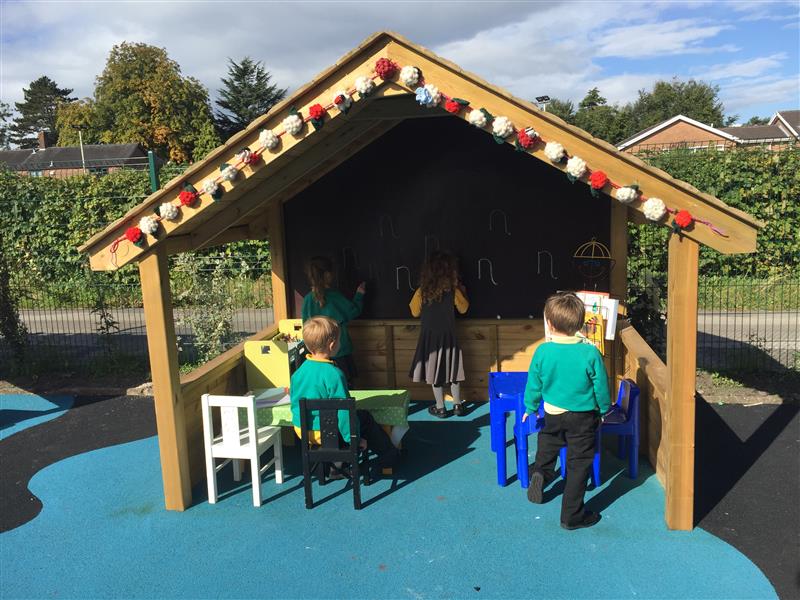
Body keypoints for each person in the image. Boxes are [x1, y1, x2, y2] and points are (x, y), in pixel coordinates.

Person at [522, 291, 611, 530]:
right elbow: (600, 385)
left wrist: (530, 407)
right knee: (578, 463)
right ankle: (571, 515)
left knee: (548, 441)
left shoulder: (543, 351)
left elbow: (534, 383)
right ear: (581, 323)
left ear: (549, 324)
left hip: (553, 412)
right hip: (583, 416)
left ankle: (541, 471)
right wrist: (604, 409)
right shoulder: (590, 352)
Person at [290, 316, 399, 479]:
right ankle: (389, 456)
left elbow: (295, 404)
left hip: (304, 431)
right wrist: (354, 439)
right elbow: (343, 412)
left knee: (334, 418)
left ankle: (337, 467)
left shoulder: (298, 373)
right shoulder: (334, 374)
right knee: (365, 418)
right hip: (329, 433)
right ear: (332, 345)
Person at [408, 251, 469, 418]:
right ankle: (457, 405)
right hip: (449, 337)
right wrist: (462, 291)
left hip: (430, 339)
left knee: (434, 372)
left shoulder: (422, 292)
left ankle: (440, 407)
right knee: (453, 371)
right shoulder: (453, 291)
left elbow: (414, 311)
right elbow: (464, 309)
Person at [302, 256, 365, 385]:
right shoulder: (334, 296)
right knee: (344, 384)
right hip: (339, 351)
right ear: (327, 275)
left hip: (316, 354)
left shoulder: (308, 299)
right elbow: (353, 311)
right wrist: (359, 294)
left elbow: (305, 325)